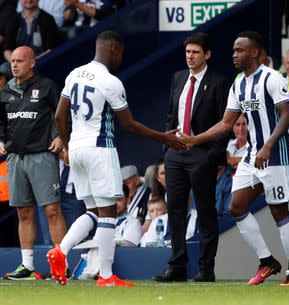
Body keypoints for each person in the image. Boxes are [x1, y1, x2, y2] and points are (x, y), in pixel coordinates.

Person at [46, 30, 185, 287]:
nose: (121, 58)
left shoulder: (74, 74)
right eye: (120, 52)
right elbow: (130, 125)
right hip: (100, 148)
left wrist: (66, 147)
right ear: (112, 48)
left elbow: (58, 117)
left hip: (76, 149)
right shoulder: (110, 81)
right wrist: (163, 137)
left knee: (92, 211)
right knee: (108, 213)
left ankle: (61, 251)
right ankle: (107, 276)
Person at [180, 31, 289, 286]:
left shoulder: (272, 78)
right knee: (236, 207)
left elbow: (287, 115)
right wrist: (194, 139)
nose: (234, 54)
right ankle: (267, 261)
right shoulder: (238, 83)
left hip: (277, 154)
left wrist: (268, 145)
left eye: (239, 50)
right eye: (233, 50)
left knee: (279, 211)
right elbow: (226, 123)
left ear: (254, 52)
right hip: (252, 155)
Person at [153, 32, 229, 283]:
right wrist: (167, 148)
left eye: (195, 52)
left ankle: (207, 269)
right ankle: (177, 266)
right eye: (187, 52)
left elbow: (224, 123)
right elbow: (170, 115)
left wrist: (214, 156)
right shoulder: (178, 77)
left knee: (205, 211)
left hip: (202, 154)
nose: (190, 56)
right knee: (174, 208)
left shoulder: (219, 81)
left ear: (207, 54)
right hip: (175, 154)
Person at [0, 46, 67, 280]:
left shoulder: (47, 86)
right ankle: (27, 266)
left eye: (20, 61)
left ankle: (61, 263)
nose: (14, 65)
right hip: (15, 158)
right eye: (13, 61)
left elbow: (62, 115)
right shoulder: (5, 91)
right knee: (24, 212)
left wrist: (60, 137)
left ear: (32, 63)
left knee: (51, 210)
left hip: (42, 155)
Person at [1, 0, 59, 75]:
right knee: (4, 68)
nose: (28, 0)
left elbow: (50, 50)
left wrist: (31, 63)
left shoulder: (48, 19)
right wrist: (16, 63)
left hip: (41, 62)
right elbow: (7, 50)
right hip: (17, 63)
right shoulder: (13, 19)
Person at [215, 114, 248, 217]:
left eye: (244, 124)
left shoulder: (254, 145)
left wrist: (230, 160)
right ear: (233, 128)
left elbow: (229, 161)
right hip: (223, 183)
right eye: (237, 125)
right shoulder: (228, 144)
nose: (241, 129)